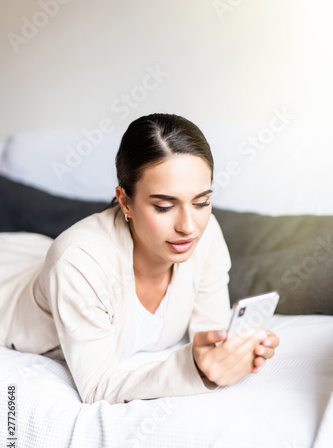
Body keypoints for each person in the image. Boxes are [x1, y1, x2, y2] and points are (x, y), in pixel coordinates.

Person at [0, 113, 279, 404]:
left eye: (201, 202)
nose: (188, 226)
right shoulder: (76, 264)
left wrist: (235, 352)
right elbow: (99, 387)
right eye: (163, 206)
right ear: (124, 201)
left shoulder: (205, 236)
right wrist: (193, 368)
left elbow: (211, 335)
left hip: (37, 252)